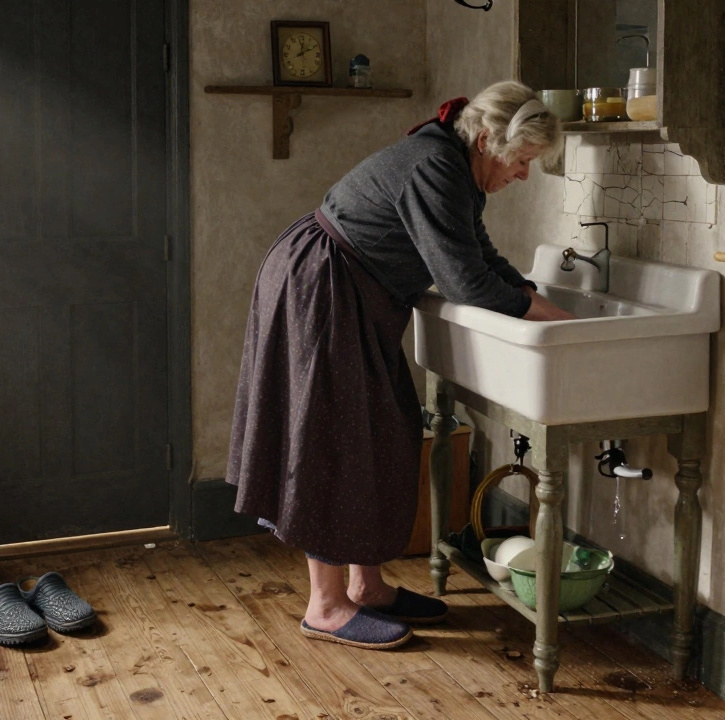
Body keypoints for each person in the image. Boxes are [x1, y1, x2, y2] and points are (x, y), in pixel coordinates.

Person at [225, 80, 574, 651]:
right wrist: (549, 316)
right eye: (522, 159)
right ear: (486, 140)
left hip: (348, 289)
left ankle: (365, 587)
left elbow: (480, 257)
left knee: (380, 432)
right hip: (325, 286)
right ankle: (326, 605)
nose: (523, 174)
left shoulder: (453, 166)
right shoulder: (435, 166)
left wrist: (542, 302)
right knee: (336, 440)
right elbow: (466, 283)